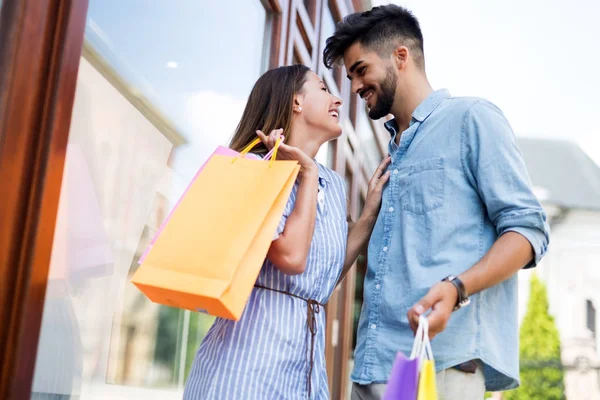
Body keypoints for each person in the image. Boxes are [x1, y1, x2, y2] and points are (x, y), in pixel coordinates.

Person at [323, 4, 550, 399]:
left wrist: (457, 288)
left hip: (440, 369)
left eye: (360, 69)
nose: (355, 86)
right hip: (372, 370)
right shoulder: (390, 155)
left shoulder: (471, 119)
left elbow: (528, 231)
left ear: (400, 56)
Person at [183, 64, 390, 400]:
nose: (337, 99)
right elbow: (292, 258)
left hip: (306, 374)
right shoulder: (254, 169)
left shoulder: (334, 186)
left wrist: (367, 217)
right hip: (246, 369)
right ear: (295, 102)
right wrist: (305, 175)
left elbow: (321, 277)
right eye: (323, 89)